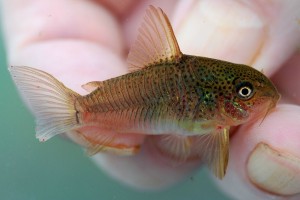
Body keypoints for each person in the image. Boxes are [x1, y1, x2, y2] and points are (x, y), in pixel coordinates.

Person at [1, 0, 300, 199]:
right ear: (215, 97)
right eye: (244, 92)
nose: (254, 97)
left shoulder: (217, 123)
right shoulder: (215, 123)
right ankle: (71, 115)